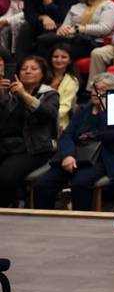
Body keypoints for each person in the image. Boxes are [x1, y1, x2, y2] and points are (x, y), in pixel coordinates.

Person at [31, 71, 114, 210]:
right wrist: (68, 155)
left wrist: (103, 109)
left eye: (104, 90)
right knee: (43, 184)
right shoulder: (83, 110)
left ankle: (80, 223)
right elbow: (67, 135)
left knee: (80, 183)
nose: (97, 93)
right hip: (77, 155)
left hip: (103, 158)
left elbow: (110, 135)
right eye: (95, 88)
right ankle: (42, 222)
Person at [0, 56, 60, 206]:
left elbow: (47, 114)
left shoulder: (50, 94)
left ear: (43, 74)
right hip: (6, 145)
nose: (28, 71)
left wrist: (24, 94)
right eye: (24, 69)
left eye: (33, 69)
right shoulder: (7, 93)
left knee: (6, 176)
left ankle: (8, 208)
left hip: (34, 148)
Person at [34, 0, 114, 62]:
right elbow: (65, 26)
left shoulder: (108, 5)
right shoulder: (76, 7)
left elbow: (105, 28)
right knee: (42, 42)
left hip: (94, 42)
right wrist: (62, 29)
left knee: (56, 51)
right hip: (71, 39)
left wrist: (80, 29)